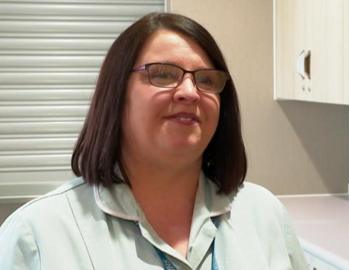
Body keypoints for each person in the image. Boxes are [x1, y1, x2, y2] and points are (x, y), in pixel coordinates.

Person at [0, 12, 308, 270]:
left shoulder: (265, 215)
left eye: (206, 80)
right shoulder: (37, 235)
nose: (190, 91)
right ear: (116, 94)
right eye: (162, 74)